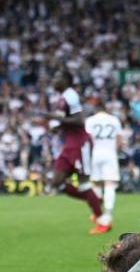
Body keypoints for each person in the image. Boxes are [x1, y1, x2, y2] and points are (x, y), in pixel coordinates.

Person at [47, 71, 109, 235]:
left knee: (83, 183)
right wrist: (57, 127)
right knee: (57, 183)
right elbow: (68, 122)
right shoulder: (62, 97)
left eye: (56, 77)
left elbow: (79, 120)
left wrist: (55, 118)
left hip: (80, 145)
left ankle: (103, 221)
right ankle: (95, 200)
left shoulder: (70, 95)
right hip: (69, 145)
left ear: (65, 80)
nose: (53, 80)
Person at [85, 105, 125, 229]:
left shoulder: (90, 120)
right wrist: (115, 151)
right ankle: (107, 214)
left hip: (95, 153)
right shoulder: (114, 120)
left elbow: (87, 139)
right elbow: (120, 140)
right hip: (110, 154)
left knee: (95, 183)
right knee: (109, 184)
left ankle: (97, 211)